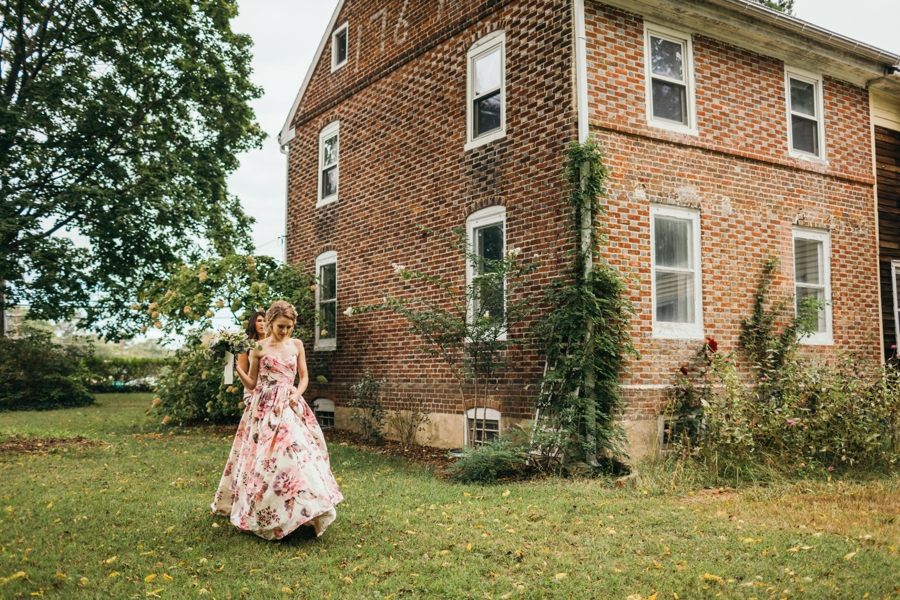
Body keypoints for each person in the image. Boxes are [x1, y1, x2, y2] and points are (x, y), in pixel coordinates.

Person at [210, 301, 343, 539]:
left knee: (297, 454)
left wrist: (296, 394)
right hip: (264, 407)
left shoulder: (296, 344)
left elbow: (304, 377)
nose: (285, 331)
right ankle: (269, 513)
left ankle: (305, 511)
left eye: (289, 327)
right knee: (267, 460)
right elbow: (252, 384)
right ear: (270, 323)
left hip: (290, 405)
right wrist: (234, 368)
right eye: (281, 326)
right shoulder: (258, 348)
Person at [237, 310, 267, 403]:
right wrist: (252, 392)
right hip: (254, 388)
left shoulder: (274, 343)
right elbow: (242, 373)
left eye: (265, 321)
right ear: (253, 324)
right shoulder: (245, 345)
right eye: (259, 321)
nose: (262, 324)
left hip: (273, 388)